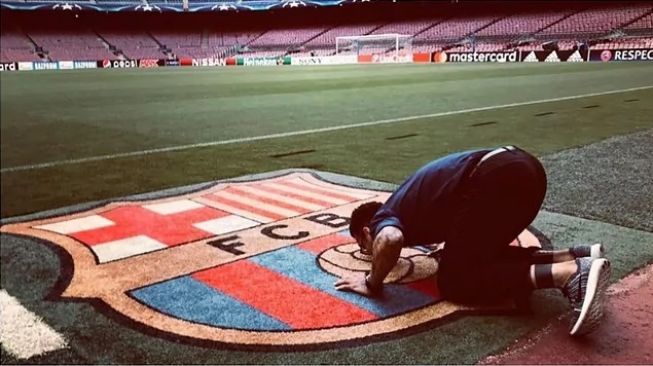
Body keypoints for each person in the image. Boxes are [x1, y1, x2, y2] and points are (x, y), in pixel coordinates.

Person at [335, 146, 611, 336]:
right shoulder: (409, 206)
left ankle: (570, 275)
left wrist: (372, 281)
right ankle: (572, 256)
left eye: (364, 246)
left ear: (366, 231)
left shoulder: (386, 215)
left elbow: (391, 239)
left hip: (495, 179)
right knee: (478, 257)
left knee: (456, 280)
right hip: (524, 171)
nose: (368, 252)